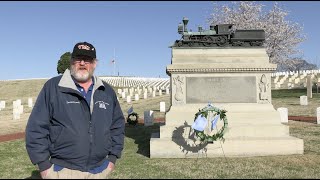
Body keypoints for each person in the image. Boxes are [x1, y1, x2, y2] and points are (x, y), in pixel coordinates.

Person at [25, 42, 125, 179]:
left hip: (100, 169)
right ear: (72, 61)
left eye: (88, 59)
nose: (83, 63)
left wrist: (112, 158)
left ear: (94, 63)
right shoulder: (53, 87)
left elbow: (117, 125)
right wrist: (43, 166)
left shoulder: (106, 91)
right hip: (62, 170)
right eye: (78, 58)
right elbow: (36, 127)